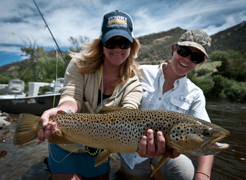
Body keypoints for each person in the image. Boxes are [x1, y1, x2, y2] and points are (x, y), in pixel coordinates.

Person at [37, 10, 144, 180]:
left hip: (98, 148)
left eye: (123, 43)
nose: (117, 48)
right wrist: (63, 112)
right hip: (65, 142)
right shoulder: (79, 64)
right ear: (102, 44)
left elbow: (129, 114)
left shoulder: (134, 82)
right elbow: (72, 96)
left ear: (132, 47)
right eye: (111, 42)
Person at [120, 29, 214, 180]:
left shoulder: (195, 94)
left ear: (200, 63)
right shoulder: (141, 73)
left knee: (186, 174)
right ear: (174, 49)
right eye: (183, 51)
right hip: (130, 149)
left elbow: (206, 136)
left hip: (168, 153)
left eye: (196, 57)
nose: (187, 59)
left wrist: (203, 174)